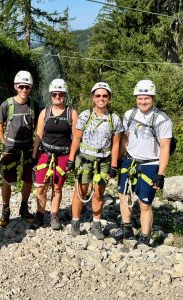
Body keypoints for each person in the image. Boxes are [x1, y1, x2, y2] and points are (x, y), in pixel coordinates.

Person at [115, 80, 172, 246]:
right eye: (140, 98)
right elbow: (124, 139)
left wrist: (161, 174)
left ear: (153, 98)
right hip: (129, 161)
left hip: (150, 164)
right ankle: (127, 229)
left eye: (146, 98)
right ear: (136, 98)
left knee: (144, 203)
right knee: (123, 195)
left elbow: (165, 147)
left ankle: (145, 238)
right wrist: (118, 161)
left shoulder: (162, 119)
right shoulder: (129, 115)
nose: (143, 102)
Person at [67, 82, 123, 239]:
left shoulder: (114, 119)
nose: (101, 98)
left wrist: (113, 164)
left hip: (103, 162)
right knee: (80, 191)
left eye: (104, 96)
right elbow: (76, 139)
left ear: (109, 98)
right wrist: (71, 160)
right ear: (93, 98)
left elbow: (116, 143)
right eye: (98, 95)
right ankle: (75, 222)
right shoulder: (85, 116)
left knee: (99, 193)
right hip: (85, 159)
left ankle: (96, 224)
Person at [31, 79, 78, 230]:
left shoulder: (72, 114)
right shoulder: (45, 113)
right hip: (45, 154)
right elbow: (39, 134)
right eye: (55, 94)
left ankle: (54, 215)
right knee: (40, 187)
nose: (57, 96)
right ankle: (40, 214)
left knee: (57, 187)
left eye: (61, 94)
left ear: (65, 95)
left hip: (63, 155)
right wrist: (33, 156)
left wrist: (71, 159)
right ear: (51, 95)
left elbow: (76, 138)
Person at [0, 70, 39, 227]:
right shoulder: (6, 105)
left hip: (28, 147)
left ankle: (24, 207)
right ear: (16, 86)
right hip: (10, 147)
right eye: (21, 86)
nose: (24, 90)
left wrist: (36, 147)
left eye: (27, 87)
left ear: (31, 88)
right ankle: (5, 209)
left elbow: (38, 126)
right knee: (7, 180)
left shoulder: (34, 105)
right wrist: (4, 142)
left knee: (28, 178)